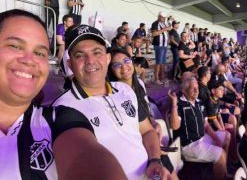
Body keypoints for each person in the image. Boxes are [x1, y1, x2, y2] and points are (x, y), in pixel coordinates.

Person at [0, 9, 125, 180]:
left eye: (40, 53)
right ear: (69, 63)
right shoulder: (66, 102)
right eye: (15, 46)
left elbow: (85, 156)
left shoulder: (58, 119)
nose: (29, 59)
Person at [51, 24, 167, 179]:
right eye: (80, 55)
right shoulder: (63, 108)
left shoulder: (124, 89)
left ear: (107, 58)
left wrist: (155, 160)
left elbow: (146, 131)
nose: (90, 60)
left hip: (150, 173)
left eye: (97, 52)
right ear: (70, 64)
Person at [168, 76, 229, 179]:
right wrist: (174, 104)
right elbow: (174, 126)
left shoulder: (199, 102)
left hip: (202, 138)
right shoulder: (179, 104)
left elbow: (206, 124)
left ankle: (223, 170)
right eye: (193, 88)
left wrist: (217, 139)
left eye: (197, 87)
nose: (196, 90)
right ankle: (220, 171)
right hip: (190, 145)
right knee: (221, 155)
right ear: (184, 90)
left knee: (226, 136)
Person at [150, 13, 172, 85]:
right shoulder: (155, 23)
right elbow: (154, 34)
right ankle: (156, 79)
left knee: (163, 62)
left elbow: (167, 32)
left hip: (164, 45)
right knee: (158, 62)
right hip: (159, 45)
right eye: (163, 17)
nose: (164, 19)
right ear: (159, 16)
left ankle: (162, 77)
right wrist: (165, 29)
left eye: (165, 18)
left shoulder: (163, 24)